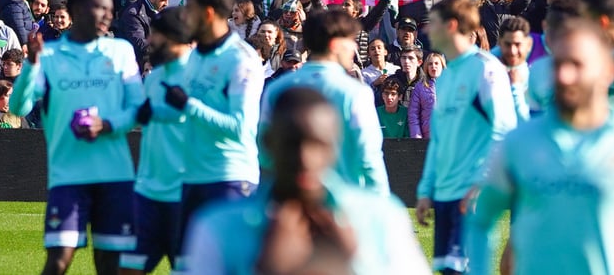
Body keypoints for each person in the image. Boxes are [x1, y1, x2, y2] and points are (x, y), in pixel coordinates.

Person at [465, 18, 614, 275]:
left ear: (608, 71)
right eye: (558, 64)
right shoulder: (519, 142)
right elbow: (481, 220)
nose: (564, 76)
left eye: (577, 65)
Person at [180, 87, 430, 274]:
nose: (305, 158)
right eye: (291, 144)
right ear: (267, 143)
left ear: (336, 148)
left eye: (318, 144)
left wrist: (356, 262)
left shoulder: (380, 218)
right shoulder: (218, 226)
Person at [12, 0, 146, 275]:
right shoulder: (49, 55)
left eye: (110, 10)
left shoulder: (120, 50)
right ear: (75, 11)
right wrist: (31, 64)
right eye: (98, 8)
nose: (106, 15)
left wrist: (107, 124)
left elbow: (138, 109)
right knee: (58, 260)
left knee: (109, 264)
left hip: (115, 175)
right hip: (68, 175)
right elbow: (18, 107)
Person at [415, 0, 517, 275]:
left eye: (431, 24)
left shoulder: (485, 69)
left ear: (450, 25)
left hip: (472, 194)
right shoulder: (445, 76)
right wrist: (426, 190)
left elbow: (504, 130)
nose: (426, 30)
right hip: (445, 194)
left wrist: (483, 182)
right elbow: (439, 140)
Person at [168, 0, 263, 261]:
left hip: (229, 179)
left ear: (208, 14)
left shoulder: (241, 59)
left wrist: (188, 105)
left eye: (190, 12)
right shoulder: (195, 56)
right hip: (192, 176)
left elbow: (240, 126)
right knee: (185, 265)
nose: (184, 18)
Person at [261, 8, 389, 193]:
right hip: (342, 208)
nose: (354, 49)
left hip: (284, 205)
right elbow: (368, 155)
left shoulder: (276, 88)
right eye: (350, 41)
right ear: (336, 45)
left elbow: (264, 149)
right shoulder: (355, 93)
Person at [120, 7, 191, 275]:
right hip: (147, 193)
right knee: (127, 269)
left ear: (174, 36)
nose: (150, 42)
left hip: (182, 193)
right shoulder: (156, 77)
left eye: (156, 35)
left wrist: (157, 112)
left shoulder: (199, 74)